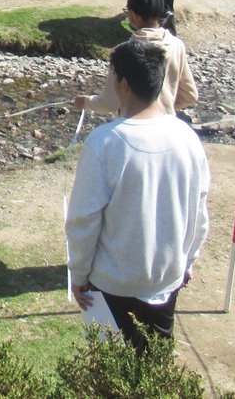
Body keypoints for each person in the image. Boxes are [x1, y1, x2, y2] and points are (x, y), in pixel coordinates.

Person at [66, 39, 211, 355]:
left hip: (111, 282)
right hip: (166, 278)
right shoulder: (188, 138)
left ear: (123, 84)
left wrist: (77, 274)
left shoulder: (105, 142)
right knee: (155, 368)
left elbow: (83, 219)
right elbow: (199, 213)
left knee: (109, 370)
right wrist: (188, 261)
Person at [76, 0, 198, 117]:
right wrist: (166, 107)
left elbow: (109, 103)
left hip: (132, 127)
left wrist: (85, 102)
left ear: (134, 15)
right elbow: (190, 95)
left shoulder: (125, 51)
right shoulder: (176, 45)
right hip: (166, 125)